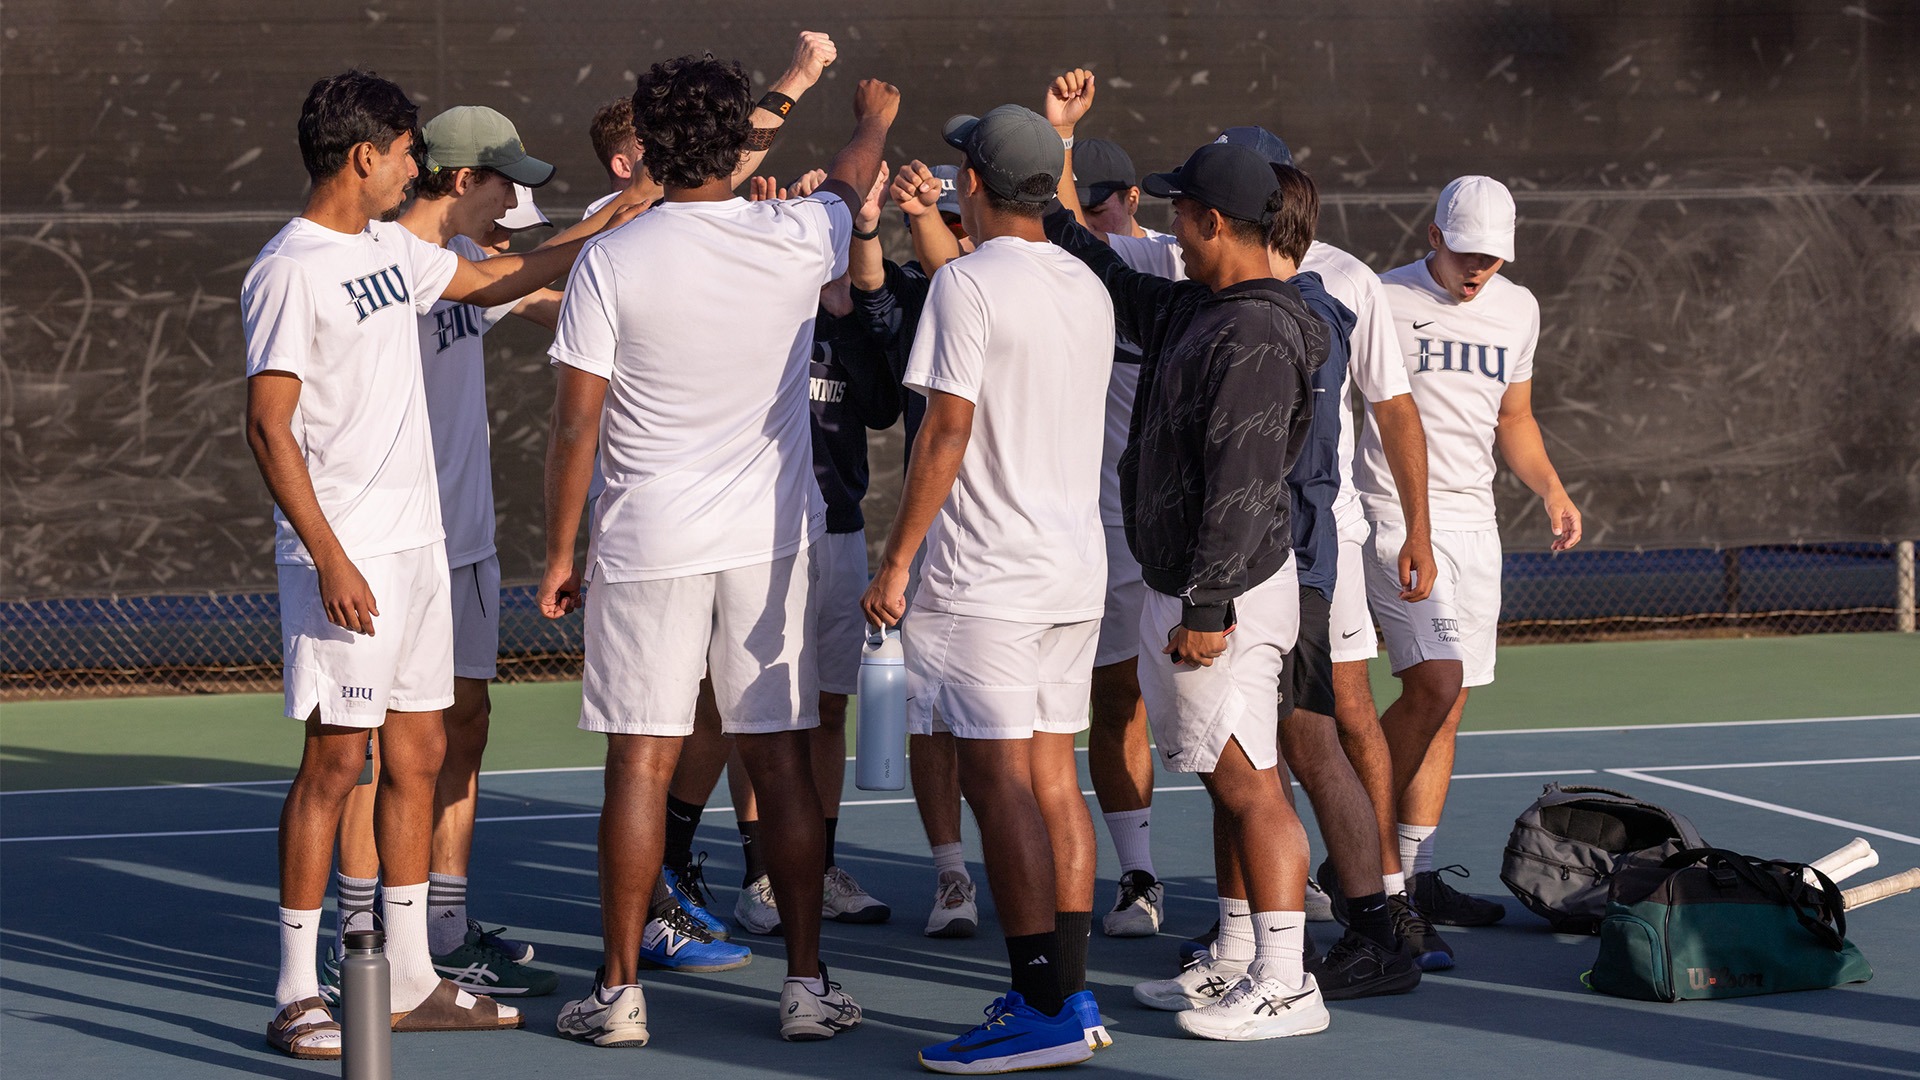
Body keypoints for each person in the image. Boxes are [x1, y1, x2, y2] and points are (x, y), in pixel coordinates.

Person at [245, 69, 623, 1059]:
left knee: (417, 755)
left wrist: (621, 218)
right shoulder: (289, 268)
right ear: (365, 156)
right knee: (336, 763)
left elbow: (494, 280)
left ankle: (410, 976)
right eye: (408, 152)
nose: (417, 168)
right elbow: (268, 426)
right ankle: (294, 989)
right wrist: (327, 554)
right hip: (348, 556)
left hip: (421, 552)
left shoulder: (386, 248)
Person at [538, 54, 896, 1046]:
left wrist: (559, 551)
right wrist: (871, 114)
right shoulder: (799, 234)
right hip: (769, 545)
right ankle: (807, 985)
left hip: (646, 538)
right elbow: (851, 175)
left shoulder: (612, 259)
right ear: (739, 142)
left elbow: (575, 429)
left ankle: (617, 995)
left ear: (645, 146)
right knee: (778, 763)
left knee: (639, 765)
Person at [1043, 70, 1333, 1042]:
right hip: (1199, 585)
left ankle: (1289, 984)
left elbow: (1244, 485)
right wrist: (1049, 175)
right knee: (1227, 777)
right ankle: (1244, 956)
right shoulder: (1202, 305)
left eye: (1181, 212)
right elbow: (1111, 276)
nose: (1169, 226)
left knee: (1251, 782)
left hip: (1229, 595)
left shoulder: (1254, 329)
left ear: (1215, 221)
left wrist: (1207, 608)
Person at [860, 104, 1114, 1073]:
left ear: (972, 183)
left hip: (987, 576)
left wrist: (896, 561)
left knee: (998, 778)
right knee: (1054, 779)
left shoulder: (965, 286)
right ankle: (1068, 993)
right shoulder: (1087, 284)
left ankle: (1042, 1005)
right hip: (1071, 572)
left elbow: (947, 431)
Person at [1356, 175, 1583, 941]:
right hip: (1390, 518)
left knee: (1451, 706)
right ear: (1433, 237)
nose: (1477, 269)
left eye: (1490, 256)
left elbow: (1513, 417)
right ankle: (1356, 854)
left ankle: (1411, 876)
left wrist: (1551, 488)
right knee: (1430, 685)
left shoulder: (1518, 309)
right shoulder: (1378, 299)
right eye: (1464, 254)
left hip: (1473, 525)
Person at [1051, 130, 1183, 939]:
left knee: (1227, 712)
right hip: (1089, 534)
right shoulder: (1065, 271)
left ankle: (1268, 888)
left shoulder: (1174, 263)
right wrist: (1059, 133)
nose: (1088, 220)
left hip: (1179, 541)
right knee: (1113, 703)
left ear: (1133, 200)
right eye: (1078, 206)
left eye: (1100, 204)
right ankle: (1137, 876)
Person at [847, 158, 984, 940]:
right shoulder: (910, 296)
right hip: (936, 541)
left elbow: (966, 275)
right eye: (935, 217)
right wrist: (868, 226)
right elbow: (870, 295)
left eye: (956, 214)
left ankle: (1052, 895)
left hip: (1022, 546)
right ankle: (952, 875)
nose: (948, 229)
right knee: (929, 721)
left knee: (1021, 734)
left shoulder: (1027, 289)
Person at [581, 30, 838, 217]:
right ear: (623, 166)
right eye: (652, 142)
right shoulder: (605, 220)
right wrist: (798, 77)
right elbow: (740, 150)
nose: (676, 149)